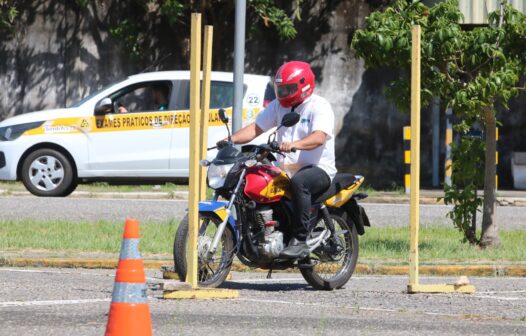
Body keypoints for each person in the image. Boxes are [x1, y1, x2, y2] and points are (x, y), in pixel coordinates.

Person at [218, 61, 337, 258]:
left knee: (301, 182)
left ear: (304, 85)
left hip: (317, 168)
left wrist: (294, 144)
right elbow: (256, 128)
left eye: (288, 89)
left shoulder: (319, 106)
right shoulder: (277, 106)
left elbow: (319, 137)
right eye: (280, 88)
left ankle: (299, 240)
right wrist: (230, 140)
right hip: (284, 167)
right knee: (252, 177)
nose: (282, 93)